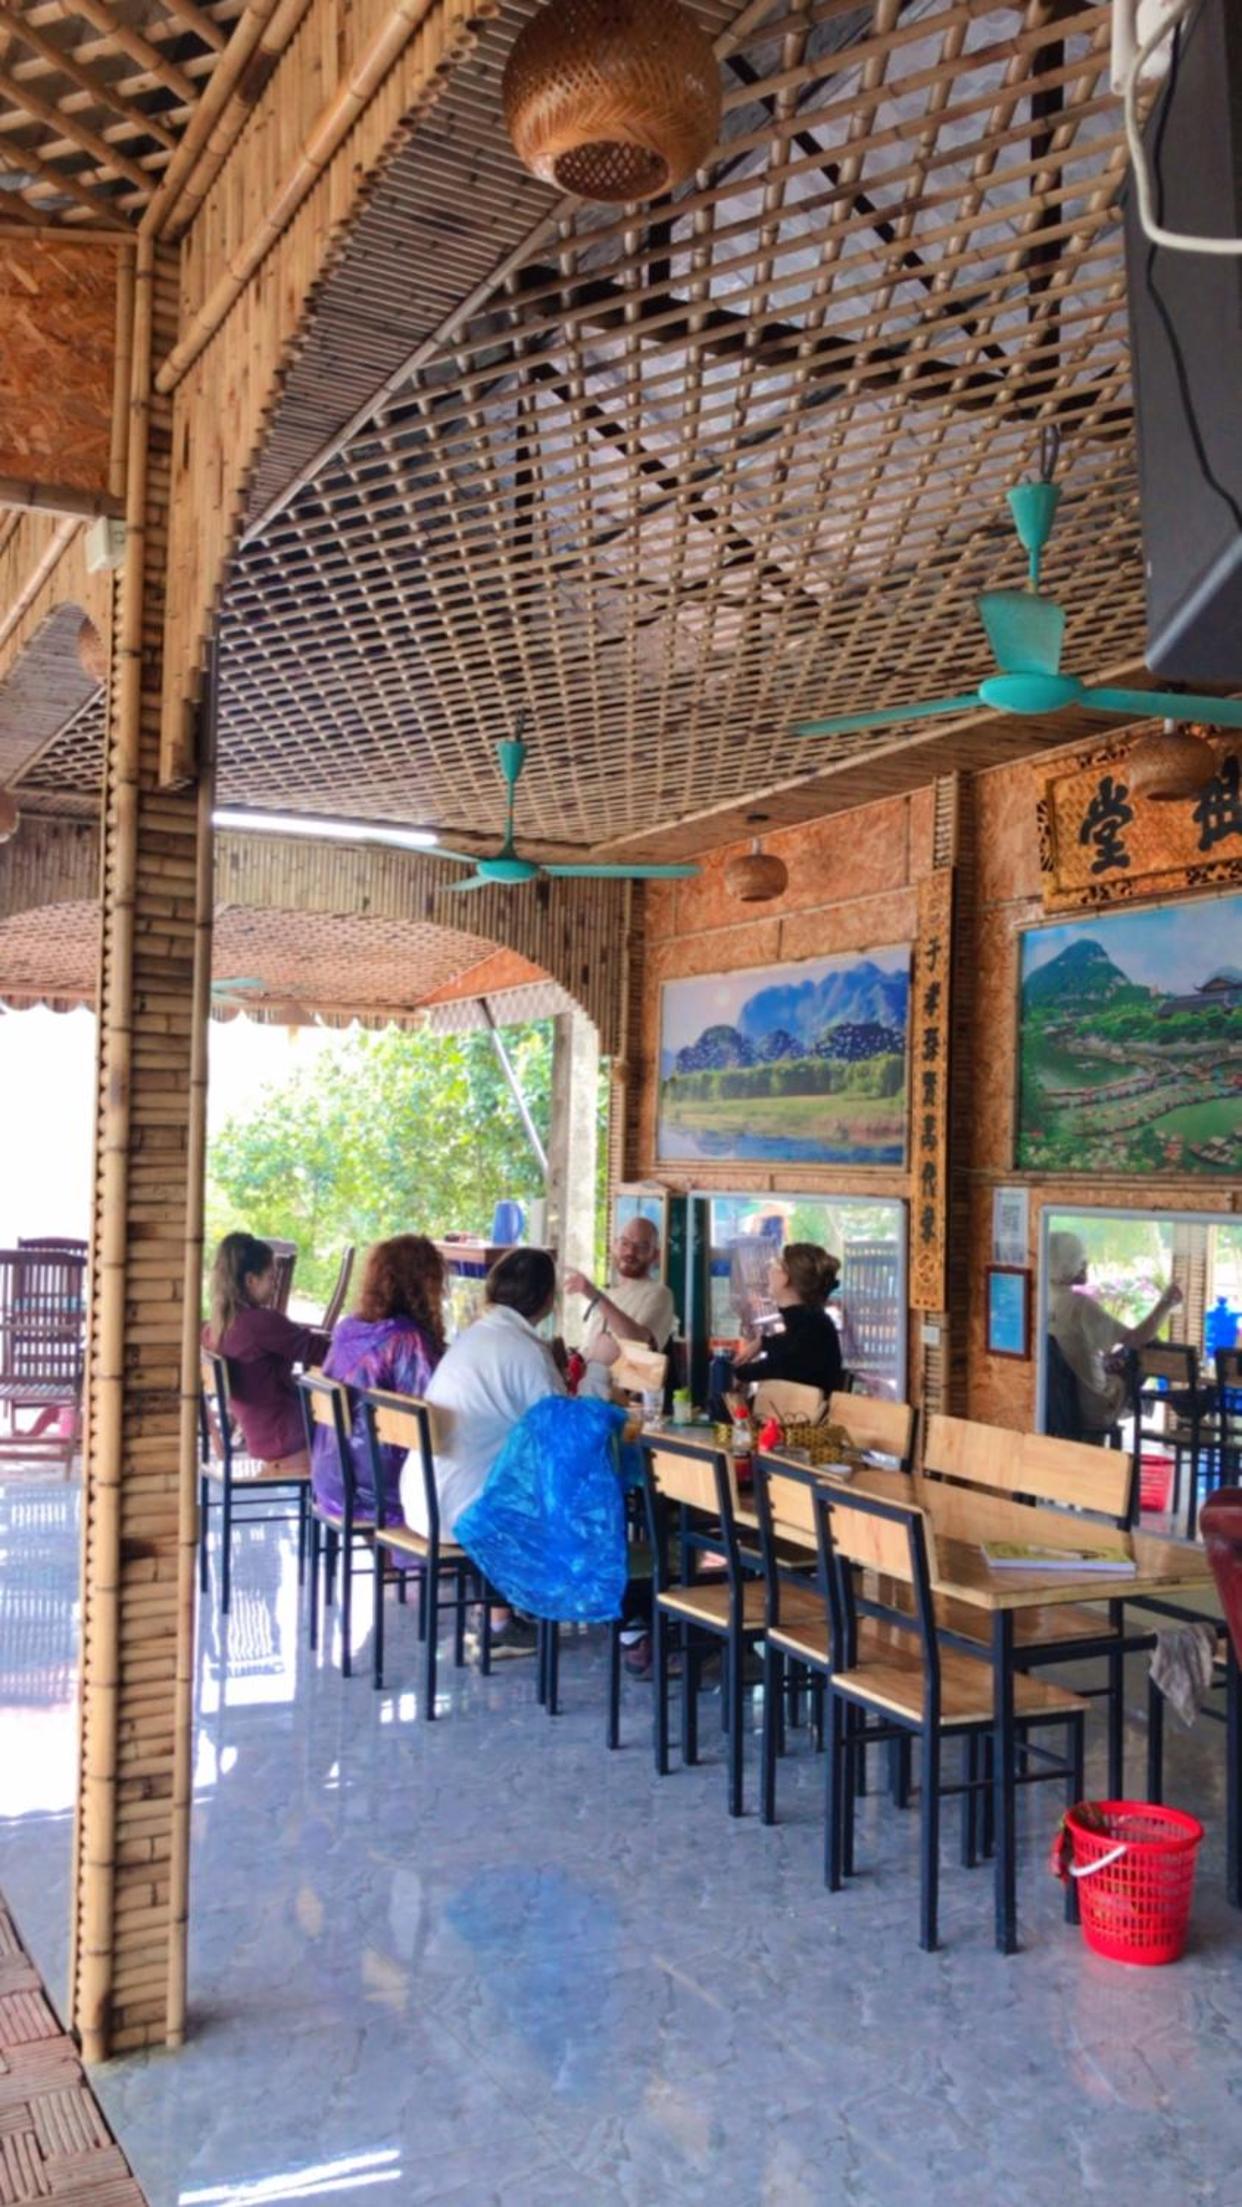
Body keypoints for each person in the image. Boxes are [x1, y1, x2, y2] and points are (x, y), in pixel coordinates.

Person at [402, 1247, 565, 1655]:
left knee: (503, 1470)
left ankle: (497, 1613)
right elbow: (564, 1435)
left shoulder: (475, 1336)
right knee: (560, 1489)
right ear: (548, 1297)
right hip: (460, 1512)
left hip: (424, 1499)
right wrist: (596, 1369)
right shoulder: (526, 1350)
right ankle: (505, 1622)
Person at [311, 1235, 445, 1525]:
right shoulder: (407, 1340)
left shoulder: (348, 1328)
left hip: (331, 1477)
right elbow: (433, 1415)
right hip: (379, 1490)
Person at [203, 1231, 327, 1467]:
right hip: (290, 1437)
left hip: (260, 1438)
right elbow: (319, 1351)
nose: (275, 1284)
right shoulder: (259, 1323)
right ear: (251, 1280)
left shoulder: (214, 1329)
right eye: (271, 1277)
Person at [1046, 1230, 1183, 1439]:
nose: (1086, 1264)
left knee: (1119, 1363)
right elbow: (1138, 1339)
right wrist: (1166, 1303)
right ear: (1070, 1265)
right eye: (1081, 1260)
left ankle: (1148, 1404)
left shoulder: (1043, 1299)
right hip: (1092, 1408)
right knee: (1145, 1350)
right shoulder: (1080, 1307)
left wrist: (1103, 1362)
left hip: (1059, 1407)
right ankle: (1167, 1407)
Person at [565, 1217, 676, 1400]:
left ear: (655, 1255)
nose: (630, 1252)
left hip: (620, 1401)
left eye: (641, 1247)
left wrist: (595, 1296)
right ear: (614, 1246)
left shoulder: (659, 1293)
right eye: (625, 1243)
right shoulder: (609, 1294)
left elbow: (641, 1342)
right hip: (587, 1389)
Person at [732, 1242, 844, 1401]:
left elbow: (783, 1365)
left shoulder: (813, 1326)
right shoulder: (813, 1320)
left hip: (803, 1413)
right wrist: (763, 1343)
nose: (769, 1269)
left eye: (775, 1264)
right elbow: (791, 1347)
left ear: (785, 1278)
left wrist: (737, 1372)